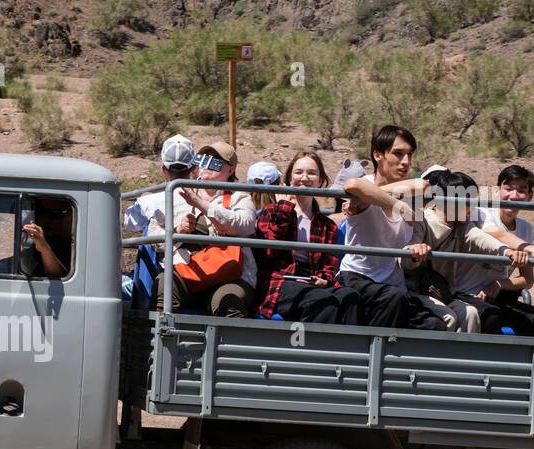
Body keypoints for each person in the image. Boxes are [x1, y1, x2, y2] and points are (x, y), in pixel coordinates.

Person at [337, 125, 446, 330]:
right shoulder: (366, 183)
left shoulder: (413, 196)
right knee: (393, 299)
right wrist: (398, 205)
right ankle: (373, 359)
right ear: (378, 154)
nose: (405, 162)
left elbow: (422, 186)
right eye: (398, 154)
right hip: (358, 278)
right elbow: (353, 186)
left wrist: (416, 249)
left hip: (393, 283)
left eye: (409, 155)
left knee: (434, 325)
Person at [402, 168, 530, 333]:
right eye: (468, 203)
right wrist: (414, 253)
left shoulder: (461, 226)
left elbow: (482, 240)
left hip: (444, 293)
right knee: (448, 317)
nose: (472, 208)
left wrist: (507, 252)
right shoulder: (422, 220)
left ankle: (467, 357)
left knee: (470, 313)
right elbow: (405, 257)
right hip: (417, 291)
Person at [252, 150, 361, 324]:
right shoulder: (273, 211)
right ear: (289, 178)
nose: (304, 177)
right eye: (298, 172)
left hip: (311, 281)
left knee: (350, 297)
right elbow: (267, 254)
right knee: (323, 302)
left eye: (311, 173)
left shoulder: (326, 225)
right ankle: (315, 348)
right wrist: (285, 210)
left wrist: (324, 280)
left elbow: (329, 264)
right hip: (280, 281)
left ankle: (348, 349)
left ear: (320, 181)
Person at [458, 164, 534, 336]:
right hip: (467, 293)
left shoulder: (525, 228)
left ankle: (529, 363)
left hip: (495, 296)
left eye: (521, 191)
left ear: (529, 196)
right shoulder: (482, 214)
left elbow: (528, 279)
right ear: (497, 191)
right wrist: (533, 250)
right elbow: (497, 235)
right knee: (491, 317)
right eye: (508, 188)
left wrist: (499, 285)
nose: (513, 196)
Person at [123, 134, 214, 310]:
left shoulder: (152, 199)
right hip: (205, 267)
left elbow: (130, 222)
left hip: (169, 270)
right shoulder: (206, 197)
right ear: (194, 168)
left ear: (163, 169)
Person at [177, 141, 259, 316]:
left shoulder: (240, 197)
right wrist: (179, 230)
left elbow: (245, 225)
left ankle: (231, 342)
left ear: (231, 169)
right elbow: (158, 234)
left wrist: (200, 204)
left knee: (229, 303)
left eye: (216, 161)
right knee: (163, 286)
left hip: (231, 276)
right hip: (191, 271)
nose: (206, 165)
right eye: (203, 159)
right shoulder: (181, 194)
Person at [17, 197, 72, 277]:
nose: (46, 219)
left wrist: (44, 249)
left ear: (71, 215)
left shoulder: (80, 246)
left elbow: (59, 279)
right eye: (42, 212)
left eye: (56, 213)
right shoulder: (35, 244)